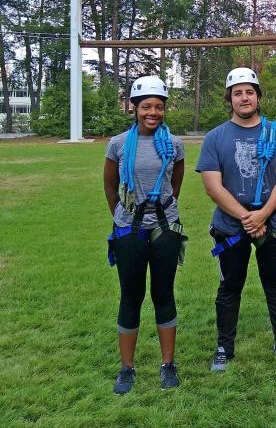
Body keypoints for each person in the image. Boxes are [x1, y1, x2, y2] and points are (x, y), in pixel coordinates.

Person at [196, 67, 276, 370]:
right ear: (230, 98)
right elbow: (213, 186)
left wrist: (264, 214)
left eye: (249, 92)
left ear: (258, 97)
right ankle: (224, 348)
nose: (244, 97)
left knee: (275, 283)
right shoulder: (215, 137)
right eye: (238, 92)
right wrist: (246, 217)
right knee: (229, 286)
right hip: (230, 226)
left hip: (272, 223)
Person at [103, 75, 186, 394]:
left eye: (159, 107)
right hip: (129, 230)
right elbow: (109, 185)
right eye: (147, 106)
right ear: (135, 108)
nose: (153, 112)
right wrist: (122, 217)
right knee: (130, 297)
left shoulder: (174, 144)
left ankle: (168, 365)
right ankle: (127, 368)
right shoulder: (119, 143)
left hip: (164, 228)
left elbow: (175, 184)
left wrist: (160, 212)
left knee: (164, 294)